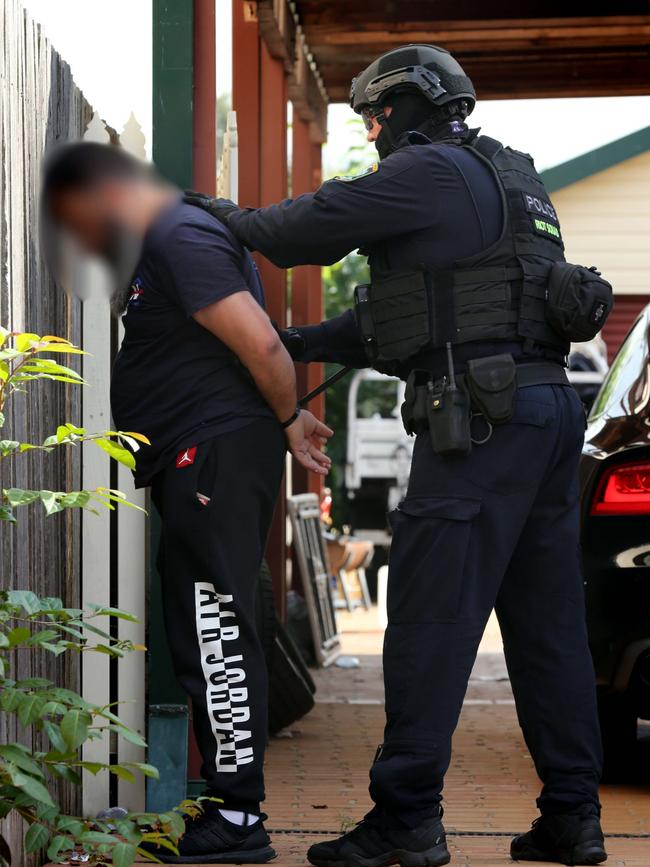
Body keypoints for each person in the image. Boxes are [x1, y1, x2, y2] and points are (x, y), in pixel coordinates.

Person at [188, 44, 608, 867]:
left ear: (410, 106)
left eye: (377, 115)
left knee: (428, 620)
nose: (374, 131)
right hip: (546, 413)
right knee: (550, 627)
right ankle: (575, 816)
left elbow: (300, 231)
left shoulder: (429, 173)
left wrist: (222, 217)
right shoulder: (511, 179)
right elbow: (417, 312)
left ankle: (407, 817)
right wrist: (298, 340)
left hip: (483, 424)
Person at [40, 141, 332, 865]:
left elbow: (261, 345)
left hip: (216, 451)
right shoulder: (170, 239)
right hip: (205, 452)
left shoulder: (179, 233)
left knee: (214, 627)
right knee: (204, 623)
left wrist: (291, 419)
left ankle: (238, 818)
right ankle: (230, 804)